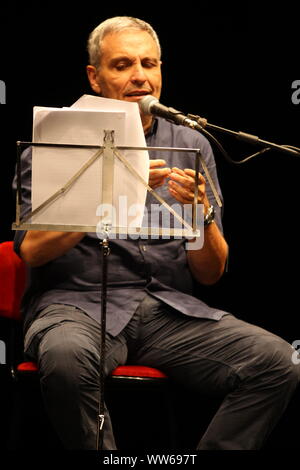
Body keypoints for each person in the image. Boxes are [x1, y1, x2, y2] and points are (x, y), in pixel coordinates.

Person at [14, 16, 300, 450]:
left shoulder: (191, 143)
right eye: (123, 64)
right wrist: (111, 189)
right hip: (77, 305)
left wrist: (200, 215)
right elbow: (33, 252)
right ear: (95, 76)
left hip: (167, 312)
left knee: (279, 360)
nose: (140, 77)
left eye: (149, 64)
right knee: (68, 360)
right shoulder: (56, 140)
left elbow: (211, 274)